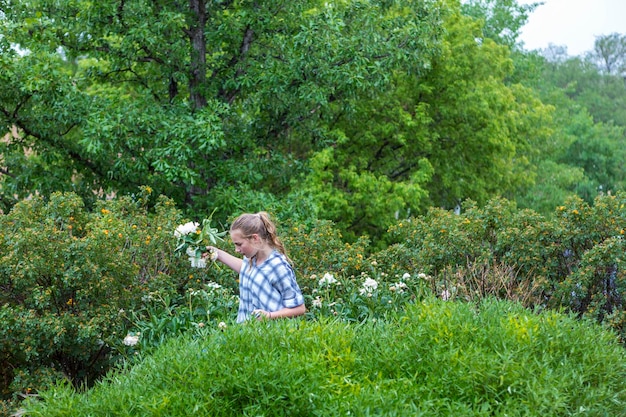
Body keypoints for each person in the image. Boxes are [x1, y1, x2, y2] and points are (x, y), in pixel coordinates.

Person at [205, 211, 306, 323]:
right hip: (246, 335)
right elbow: (248, 271)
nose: (236, 250)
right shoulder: (251, 259)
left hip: (269, 336)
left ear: (255, 239)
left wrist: (269, 316)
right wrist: (217, 254)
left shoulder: (278, 267)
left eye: (239, 244)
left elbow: (299, 308)